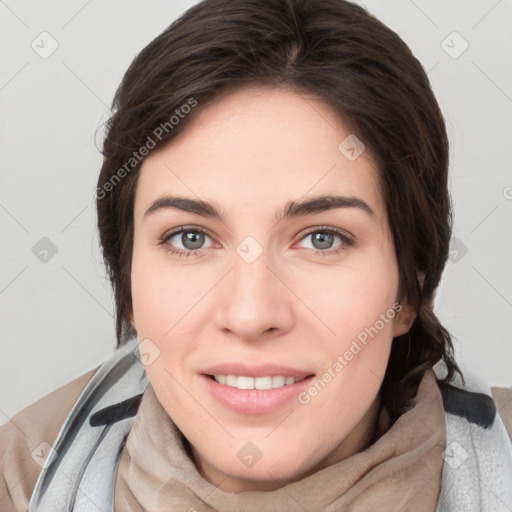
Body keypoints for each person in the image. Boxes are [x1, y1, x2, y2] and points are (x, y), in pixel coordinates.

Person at [1, 0, 511, 510]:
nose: (251, 314)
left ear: (410, 285)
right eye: (190, 238)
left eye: (322, 238)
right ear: (128, 277)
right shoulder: (18, 480)